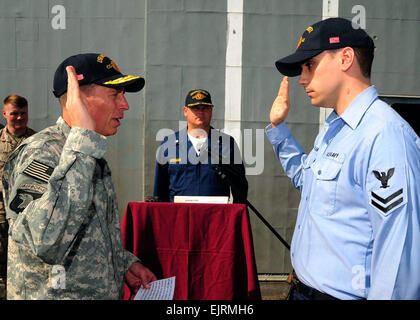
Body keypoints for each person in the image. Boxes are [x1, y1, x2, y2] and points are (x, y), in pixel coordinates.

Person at [266, 17, 420, 299]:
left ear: (346, 57)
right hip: (302, 291)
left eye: (309, 65)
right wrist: (279, 130)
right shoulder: (335, 128)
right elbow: (311, 185)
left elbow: (398, 255)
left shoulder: (385, 135)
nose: (301, 79)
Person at [2, 53, 157, 299]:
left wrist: (123, 263)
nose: (125, 105)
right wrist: (84, 141)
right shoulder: (42, 153)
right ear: (80, 98)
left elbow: (88, 231)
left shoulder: (87, 153)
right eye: (115, 94)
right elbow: (44, 240)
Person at [154, 89, 248, 203]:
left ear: (211, 111)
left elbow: (240, 187)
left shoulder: (227, 144)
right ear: (185, 111)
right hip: (179, 217)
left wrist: (235, 217)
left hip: (216, 217)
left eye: (205, 108)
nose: (201, 112)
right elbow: (160, 189)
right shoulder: (169, 144)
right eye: (195, 108)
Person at [0, 94, 36, 299]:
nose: (19, 118)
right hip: (1, 211)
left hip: (27, 212)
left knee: (25, 256)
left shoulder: (37, 141)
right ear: (5, 114)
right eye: (14, 114)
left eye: (23, 113)